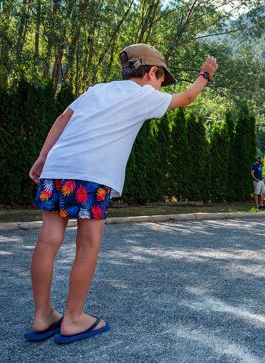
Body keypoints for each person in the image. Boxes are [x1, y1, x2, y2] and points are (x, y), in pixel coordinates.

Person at [25, 43, 218, 344]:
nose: (160, 88)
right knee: (88, 243)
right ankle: (73, 319)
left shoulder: (96, 90)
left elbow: (63, 118)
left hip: (57, 166)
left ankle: (41, 317)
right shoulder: (144, 94)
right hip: (91, 174)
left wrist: (42, 156)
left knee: (48, 239)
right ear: (152, 72)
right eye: (161, 80)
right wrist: (205, 75)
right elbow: (189, 97)